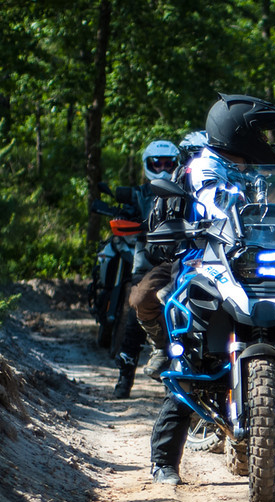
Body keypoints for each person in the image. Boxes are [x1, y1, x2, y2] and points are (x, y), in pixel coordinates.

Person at [146, 93, 275, 485]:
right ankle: (164, 461)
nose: (266, 141)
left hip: (250, 263)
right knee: (193, 362)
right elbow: (222, 210)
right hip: (206, 262)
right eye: (260, 133)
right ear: (238, 131)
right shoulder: (207, 167)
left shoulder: (250, 170)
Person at [110, 138, 180, 398]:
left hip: (180, 258)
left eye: (168, 163)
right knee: (134, 312)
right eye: (157, 163)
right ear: (148, 164)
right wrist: (126, 216)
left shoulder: (186, 188)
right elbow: (127, 209)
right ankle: (124, 378)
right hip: (147, 260)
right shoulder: (140, 193)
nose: (163, 168)